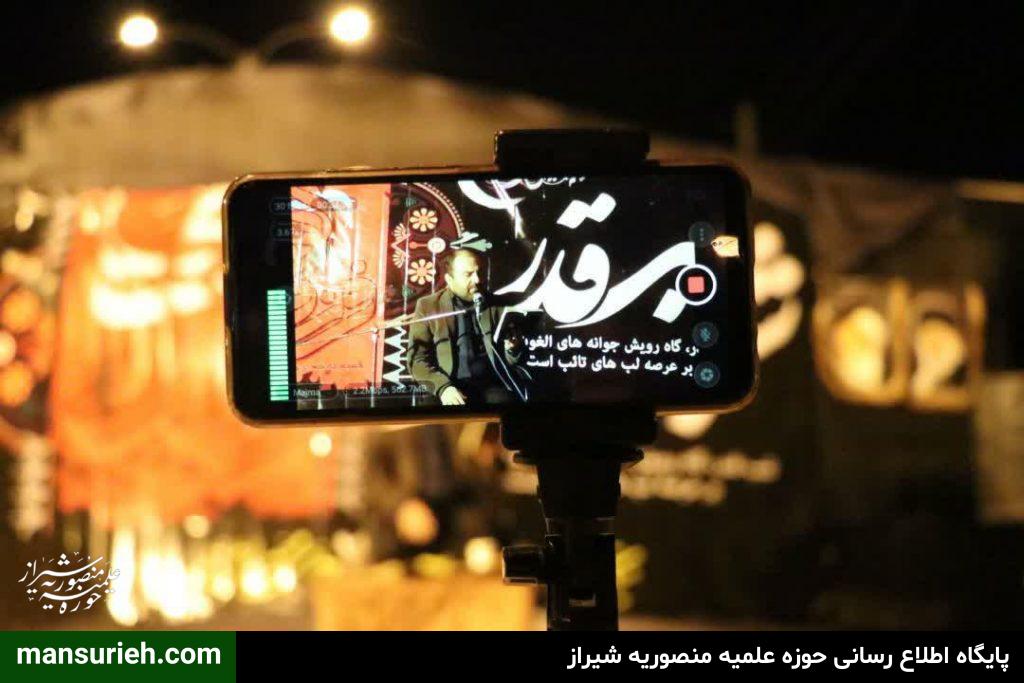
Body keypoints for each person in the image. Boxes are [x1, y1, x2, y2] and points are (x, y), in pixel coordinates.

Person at [407, 248, 528, 405]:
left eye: (479, 273)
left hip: (488, 385)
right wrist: (443, 388)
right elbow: (417, 360)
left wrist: (513, 349)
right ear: (449, 279)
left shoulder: (496, 306)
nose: (477, 280)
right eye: (468, 274)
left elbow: (509, 361)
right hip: (446, 384)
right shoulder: (428, 306)